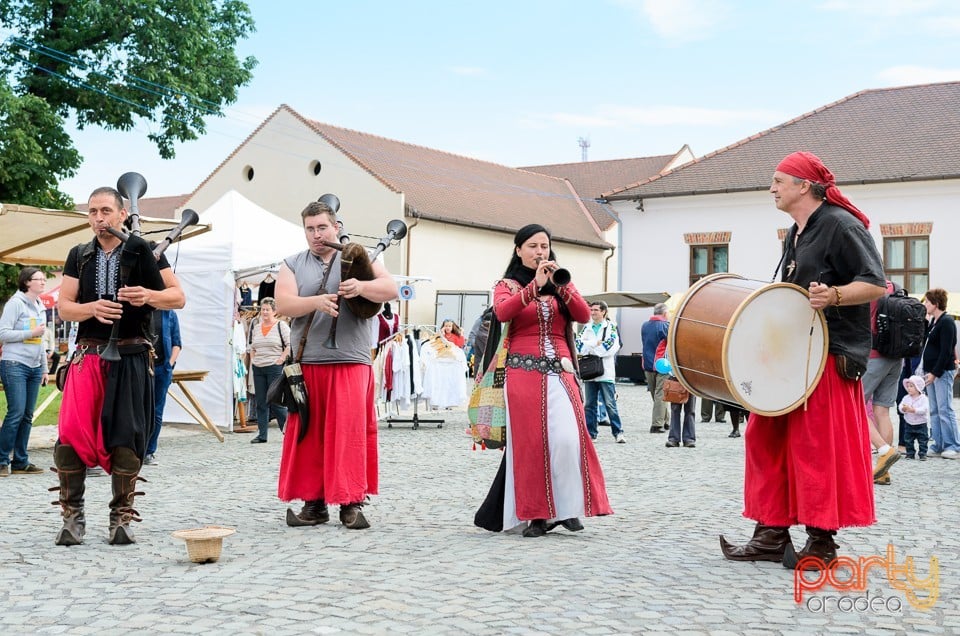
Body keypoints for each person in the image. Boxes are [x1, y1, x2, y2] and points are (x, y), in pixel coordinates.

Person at [719, 151, 886, 570]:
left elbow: (874, 284)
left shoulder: (841, 225)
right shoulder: (796, 231)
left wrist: (834, 295)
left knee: (815, 446)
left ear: (803, 186)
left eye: (779, 180)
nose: (772, 187)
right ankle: (771, 534)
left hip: (829, 355)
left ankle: (821, 542)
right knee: (764, 436)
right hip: (791, 356)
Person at [53, 186, 185, 546]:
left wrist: (148, 296)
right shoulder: (79, 255)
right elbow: (65, 306)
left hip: (131, 355)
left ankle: (121, 519)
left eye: (106, 211)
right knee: (69, 438)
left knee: (127, 439)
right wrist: (91, 308)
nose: (100, 218)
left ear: (122, 214)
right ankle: (72, 517)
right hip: (89, 354)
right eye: (93, 212)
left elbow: (178, 297)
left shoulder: (142, 251)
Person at [474, 224, 612, 537]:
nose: (540, 252)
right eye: (533, 246)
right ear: (519, 249)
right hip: (522, 372)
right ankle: (537, 514)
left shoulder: (561, 279)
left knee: (568, 438)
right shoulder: (506, 284)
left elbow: (582, 315)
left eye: (545, 246)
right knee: (531, 445)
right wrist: (533, 288)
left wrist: (561, 286)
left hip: (561, 372)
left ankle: (565, 508)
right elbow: (502, 312)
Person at [275, 200, 398, 530]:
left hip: (350, 359)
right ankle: (313, 505)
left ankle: (350, 503)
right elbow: (283, 302)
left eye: (322, 227)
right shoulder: (293, 264)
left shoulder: (360, 256)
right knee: (309, 435)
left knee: (349, 434)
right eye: (310, 229)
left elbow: (391, 289)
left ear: (336, 227)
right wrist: (315, 301)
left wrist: (362, 286)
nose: (316, 234)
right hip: (309, 361)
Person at [0, 267, 50, 477]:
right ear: (27, 282)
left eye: (44, 279)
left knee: (28, 416)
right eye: (39, 279)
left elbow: (41, 341)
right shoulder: (15, 303)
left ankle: (21, 461)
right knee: (16, 413)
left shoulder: (40, 306)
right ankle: (2, 460)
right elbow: (3, 333)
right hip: (15, 363)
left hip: (35, 367)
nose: (43, 282)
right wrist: (31, 332)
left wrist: (45, 368)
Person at [863, 280, 902, 486]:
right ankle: (883, 470)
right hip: (897, 356)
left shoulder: (869, 286)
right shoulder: (894, 286)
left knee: (856, 406)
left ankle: (884, 451)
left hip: (875, 354)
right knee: (883, 411)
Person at [576, 300, 625, 443]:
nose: (593, 313)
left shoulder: (611, 327)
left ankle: (618, 432)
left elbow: (612, 345)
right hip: (590, 372)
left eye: (596, 310)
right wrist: (594, 345)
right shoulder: (586, 327)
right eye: (591, 310)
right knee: (590, 404)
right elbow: (579, 345)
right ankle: (591, 433)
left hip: (605, 372)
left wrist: (592, 349)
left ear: (603, 311)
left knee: (610, 404)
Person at [920, 288, 960, 459]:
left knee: (945, 409)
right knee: (935, 410)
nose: (925, 304)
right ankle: (938, 443)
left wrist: (935, 372)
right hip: (932, 372)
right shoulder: (934, 322)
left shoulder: (947, 322)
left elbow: (946, 351)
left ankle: (953, 445)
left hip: (941, 372)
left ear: (935, 303)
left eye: (928, 302)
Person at [247, 298, 291, 444]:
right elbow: (252, 347)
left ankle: (288, 431)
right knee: (261, 402)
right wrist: (253, 359)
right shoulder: (257, 327)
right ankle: (262, 435)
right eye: (263, 309)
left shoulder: (281, 326)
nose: (264, 312)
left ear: (274, 311)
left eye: (267, 309)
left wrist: (281, 359)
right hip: (258, 367)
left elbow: (290, 345)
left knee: (276, 401)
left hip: (274, 367)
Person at [144, 309, 181, 465]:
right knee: (142, 409)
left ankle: (149, 451)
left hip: (162, 368)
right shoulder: (143, 310)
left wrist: (169, 364)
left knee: (157, 411)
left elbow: (177, 342)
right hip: (143, 367)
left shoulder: (169, 314)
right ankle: (137, 449)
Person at [641, 303, 670, 434]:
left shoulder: (645, 325)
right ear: (664, 314)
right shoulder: (665, 326)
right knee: (660, 395)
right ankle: (657, 425)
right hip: (662, 363)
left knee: (655, 394)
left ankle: (666, 420)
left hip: (647, 363)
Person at [898, 375, 929, 460]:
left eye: (911, 386)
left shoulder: (923, 398)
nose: (909, 388)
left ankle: (923, 453)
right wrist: (903, 409)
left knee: (923, 440)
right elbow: (900, 406)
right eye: (908, 386)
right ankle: (910, 453)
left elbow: (924, 409)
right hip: (909, 423)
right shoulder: (906, 398)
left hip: (921, 424)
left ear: (918, 387)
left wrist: (914, 410)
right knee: (908, 440)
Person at [665, 378, 696, 448]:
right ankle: (673, 438)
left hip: (690, 380)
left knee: (690, 410)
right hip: (676, 378)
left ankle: (689, 438)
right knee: (675, 410)